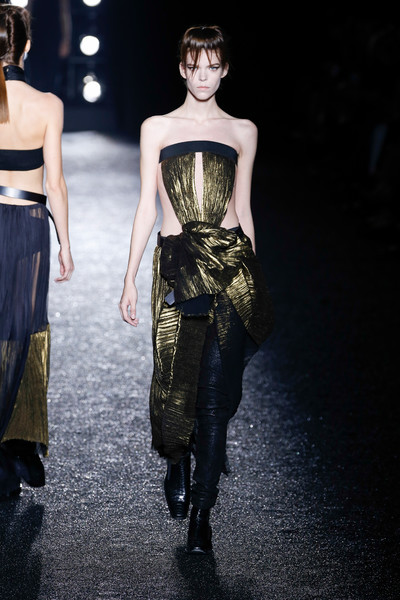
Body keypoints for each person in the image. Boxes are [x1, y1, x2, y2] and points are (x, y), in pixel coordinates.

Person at [119, 25, 273, 554]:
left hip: (230, 268)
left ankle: (202, 516)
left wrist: (254, 282)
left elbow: (244, 210)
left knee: (214, 397)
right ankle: (177, 459)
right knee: (174, 381)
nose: (203, 76)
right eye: (194, 66)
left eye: (212, 66)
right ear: (182, 68)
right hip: (177, 266)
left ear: (224, 69)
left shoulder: (243, 131)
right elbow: (146, 206)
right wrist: (128, 277)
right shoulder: (157, 127)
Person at [0, 4, 74, 500]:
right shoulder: (48, 105)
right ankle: (18, 441)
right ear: (27, 45)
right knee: (24, 331)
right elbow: (56, 184)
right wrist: (66, 243)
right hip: (28, 227)